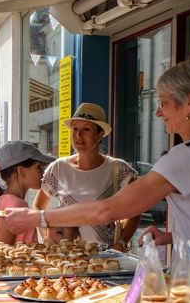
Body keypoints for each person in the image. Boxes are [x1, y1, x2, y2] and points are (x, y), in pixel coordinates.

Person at [5, 59, 190, 258]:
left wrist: (37, 217)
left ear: (189, 103)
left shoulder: (186, 157)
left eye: (163, 103)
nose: (158, 112)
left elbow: (108, 211)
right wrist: (172, 237)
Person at [32, 102, 139, 248]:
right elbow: (38, 207)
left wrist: (121, 242)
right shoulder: (58, 168)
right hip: (68, 259)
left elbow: (135, 209)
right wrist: (48, 235)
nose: (78, 135)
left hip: (106, 260)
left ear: (100, 135)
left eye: (86, 129)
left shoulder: (118, 169)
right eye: (75, 129)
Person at [0, 140, 55, 245]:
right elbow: (3, 253)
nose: (43, 172)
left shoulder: (9, 201)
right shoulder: (14, 205)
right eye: (38, 167)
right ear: (21, 171)